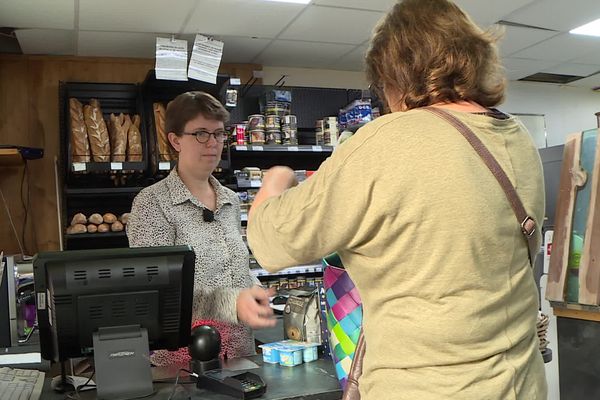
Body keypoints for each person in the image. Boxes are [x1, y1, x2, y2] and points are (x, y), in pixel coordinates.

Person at [247, 1, 547, 399]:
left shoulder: (386, 141)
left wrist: (273, 183)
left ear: (394, 73)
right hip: (521, 382)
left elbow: (270, 242)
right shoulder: (518, 138)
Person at [127, 91, 275, 365]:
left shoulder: (230, 200)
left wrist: (255, 292)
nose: (213, 143)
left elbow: (235, 269)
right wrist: (232, 304)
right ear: (175, 140)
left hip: (239, 354)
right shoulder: (152, 204)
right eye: (201, 134)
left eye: (219, 134)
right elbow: (160, 294)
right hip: (183, 364)